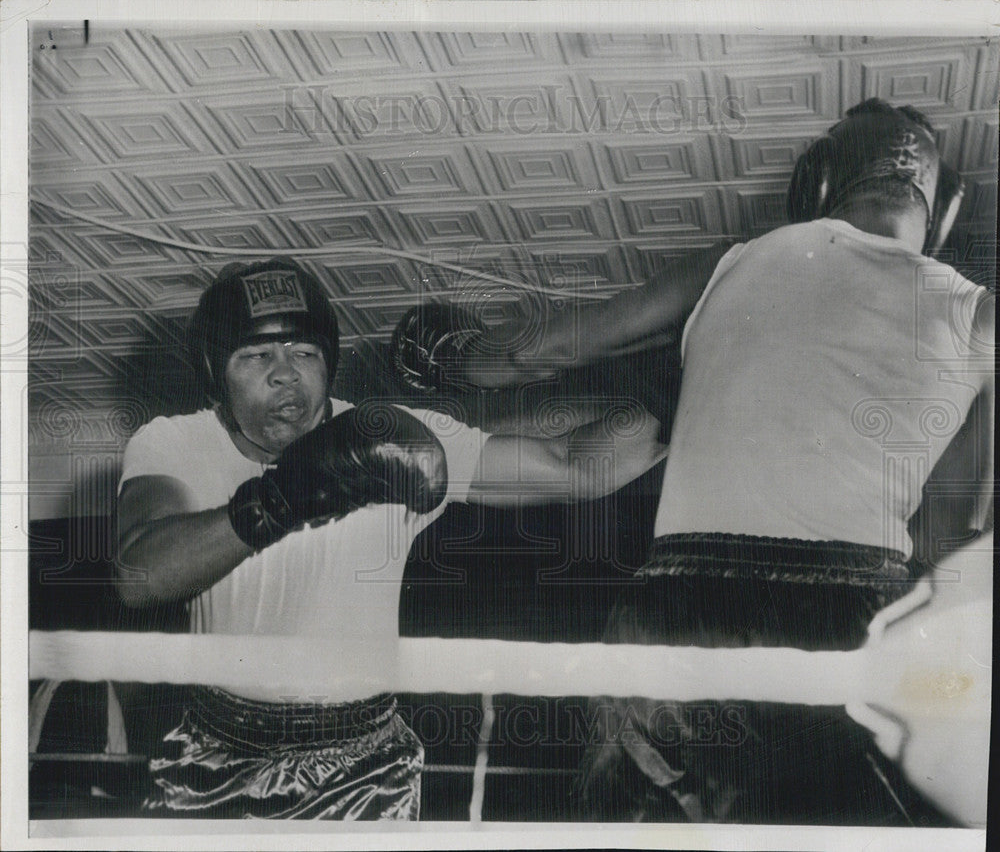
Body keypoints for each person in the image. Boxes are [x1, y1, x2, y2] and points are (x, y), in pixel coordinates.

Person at [389, 99, 994, 823]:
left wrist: (458, 359)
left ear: (821, 183)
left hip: (683, 600)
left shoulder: (736, 258)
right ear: (945, 208)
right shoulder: (980, 316)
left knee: (647, 832)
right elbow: (942, 545)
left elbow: (547, 349)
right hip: (849, 606)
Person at [114, 257, 666, 820]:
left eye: (304, 353)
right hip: (215, 753)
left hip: (360, 766)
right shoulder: (175, 442)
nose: (285, 373)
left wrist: (671, 393)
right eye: (257, 355)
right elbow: (138, 576)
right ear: (215, 373)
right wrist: (284, 498)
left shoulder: (393, 434)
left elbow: (573, 467)